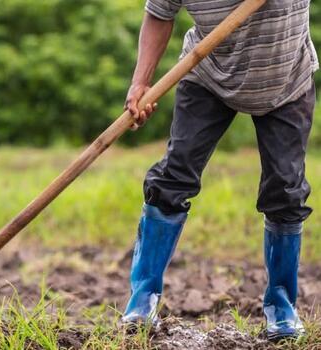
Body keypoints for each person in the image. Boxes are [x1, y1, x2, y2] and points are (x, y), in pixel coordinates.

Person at [121, 0, 318, 341]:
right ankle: (142, 301)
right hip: (207, 76)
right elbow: (159, 13)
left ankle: (281, 307)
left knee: (285, 190)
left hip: (286, 80)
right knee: (173, 178)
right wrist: (141, 83)